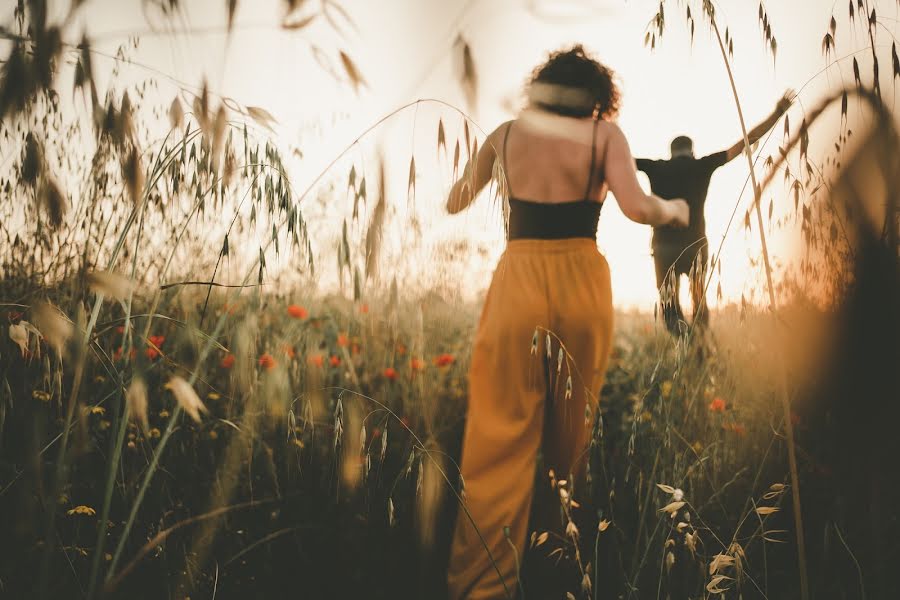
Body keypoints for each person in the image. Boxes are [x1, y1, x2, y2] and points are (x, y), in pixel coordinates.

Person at [444, 45, 689, 599]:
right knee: (570, 440)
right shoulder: (606, 136)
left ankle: (481, 586)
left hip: (518, 283)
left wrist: (472, 177)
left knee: (497, 440)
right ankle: (560, 561)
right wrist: (674, 209)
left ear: (541, 88)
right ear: (598, 96)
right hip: (582, 280)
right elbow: (636, 208)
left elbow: (456, 202)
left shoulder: (504, 135)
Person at [635, 92, 793, 336]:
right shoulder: (702, 165)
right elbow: (743, 143)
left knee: (669, 306)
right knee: (699, 302)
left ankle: (683, 342)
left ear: (671, 152)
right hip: (695, 245)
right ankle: (699, 346)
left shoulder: (656, 167)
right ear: (692, 151)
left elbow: (622, 159)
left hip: (664, 247)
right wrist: (778, 112)